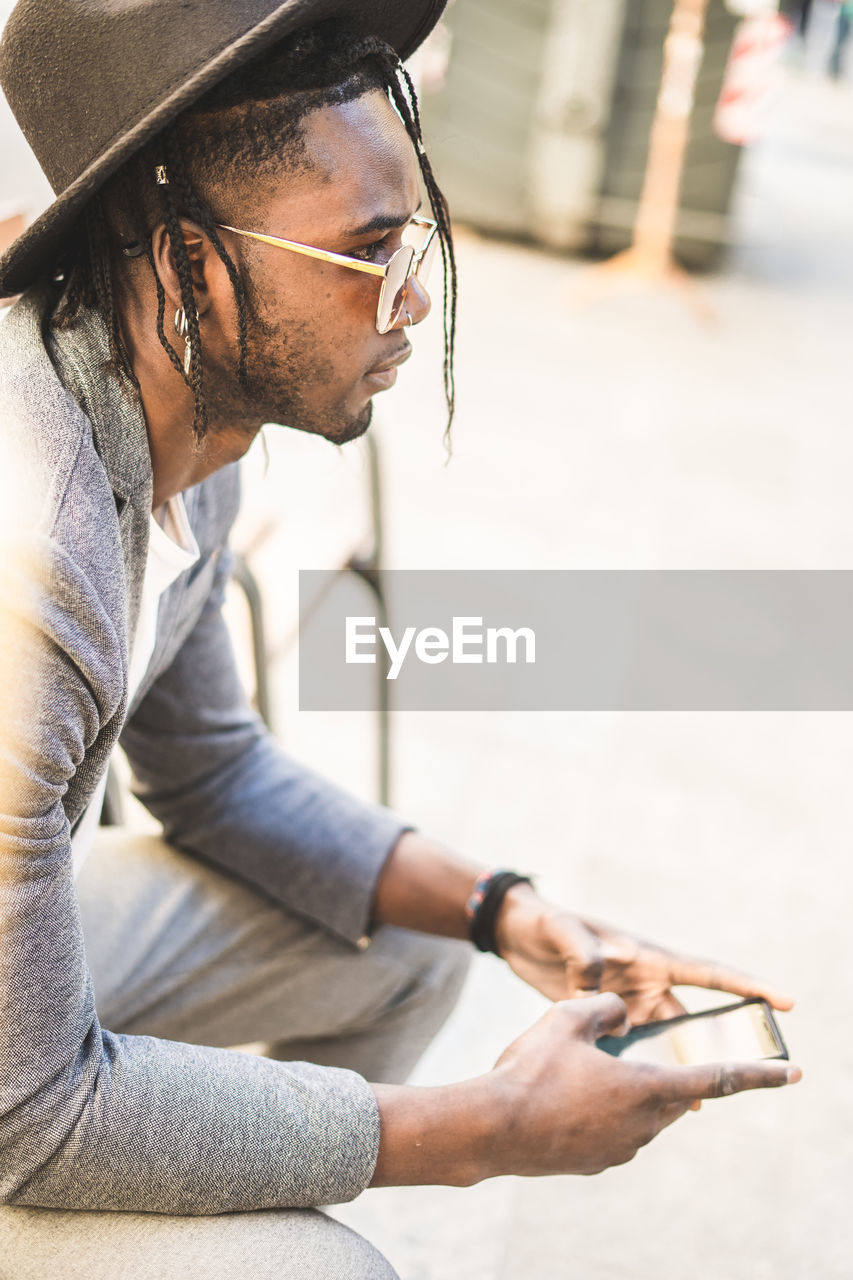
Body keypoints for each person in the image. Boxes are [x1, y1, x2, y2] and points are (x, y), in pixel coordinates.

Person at [0, 2, 800, 1277]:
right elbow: (28, 1114)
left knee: (415, 938)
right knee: (320, 1270)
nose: (414, 296)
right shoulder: (30, 549)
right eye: (368, 249)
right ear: (188, 266)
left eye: (410, 235)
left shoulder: (180, 422)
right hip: (11, 1096)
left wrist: (508, 909)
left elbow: (208, 773)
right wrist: (480, 1132)